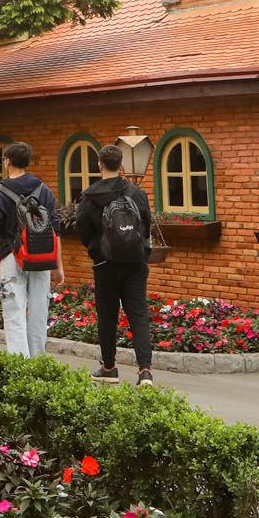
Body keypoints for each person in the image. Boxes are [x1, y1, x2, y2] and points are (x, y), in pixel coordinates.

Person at [75, 142, 156, 385]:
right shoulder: (137, 193)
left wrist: (97, 250)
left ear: (99, 165)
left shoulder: (90, 196)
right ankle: (145, 372)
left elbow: (81, 229)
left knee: (108, 316)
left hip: (105, 263)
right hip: (135, 262)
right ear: (121, 165)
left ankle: (109, 368)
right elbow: (147, 224)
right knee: (138, 313)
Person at [0, 141, 65, 358]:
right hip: (42, 255)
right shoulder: (44, 190)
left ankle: (20, 363)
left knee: (14, 310)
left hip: (12, 256)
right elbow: (54, 230)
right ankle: (38, 360)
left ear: (8, 162)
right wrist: (59, 266)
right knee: (39, 310)